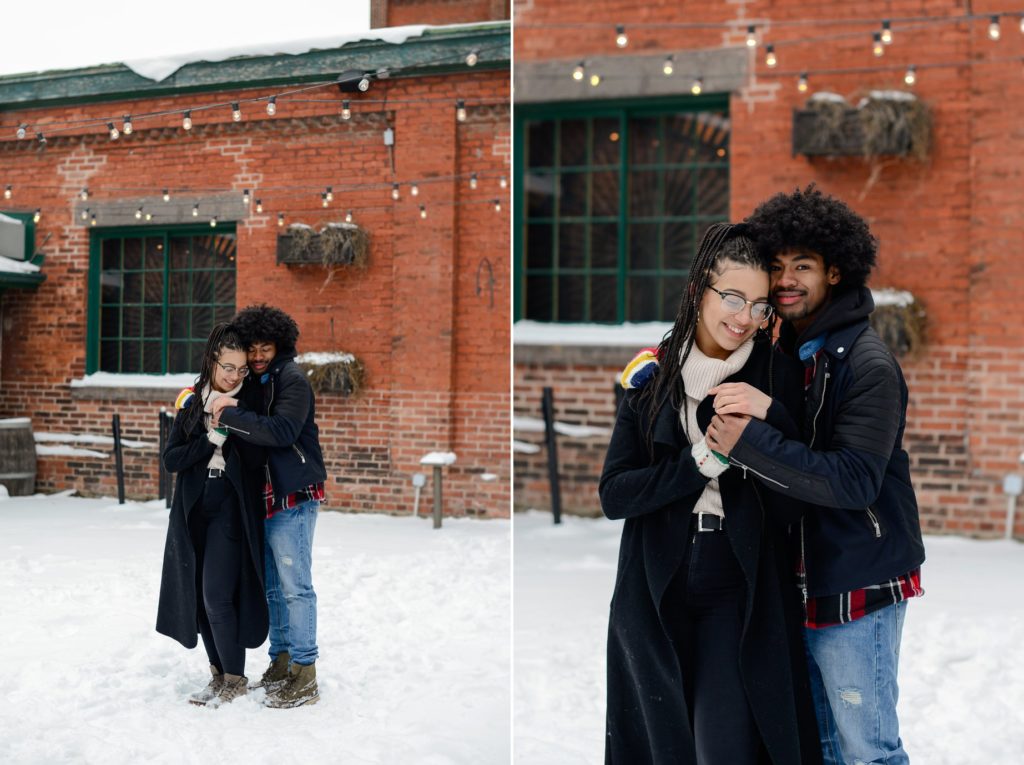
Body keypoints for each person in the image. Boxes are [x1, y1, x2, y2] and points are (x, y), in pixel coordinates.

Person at [706, 185, 926, 765]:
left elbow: (854, 480)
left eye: (801, 265)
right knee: (822, 747)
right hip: (799, 581)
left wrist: (749, 443)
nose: (786, 280)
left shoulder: (868, 364)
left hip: (858, 579)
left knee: (868, 750)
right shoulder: (792, 355)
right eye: (776, 267)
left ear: (834, 270)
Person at [599, 223, 821, 765]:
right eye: (733, 298)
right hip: (655, 583)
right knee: (662, 746)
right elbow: (615, 495)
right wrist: (698, 463)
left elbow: (797, 498)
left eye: (760, 305)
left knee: (726, 747)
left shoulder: (775, 375)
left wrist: (771, 421)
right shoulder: (652, 377)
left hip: (739, 584)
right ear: (701, 288)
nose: (745, 318)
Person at [210, 304, 327, 708]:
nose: (258, 355)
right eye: (253, 348)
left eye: (266, 347)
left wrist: (233, 415)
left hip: (293, 494)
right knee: (274, 588)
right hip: (264, 496)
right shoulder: (258, 382)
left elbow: (281, 432)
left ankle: (305, 671)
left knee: (296, 588)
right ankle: (280, 661)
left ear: (281, 345)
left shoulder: (292, 380)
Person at [156, 323, 268, 707]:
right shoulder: (191, 403)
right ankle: (218, 676)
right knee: (198, 599)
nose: (234, 375)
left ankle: (235, 679)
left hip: (230, 506)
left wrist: (236, 424)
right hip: (193, 507)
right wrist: (209, 442)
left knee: (217, 595)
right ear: (212, 361)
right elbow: (172, 459)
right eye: (228, 367)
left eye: (240, 369)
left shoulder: (251, 404)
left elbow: (257, 459)